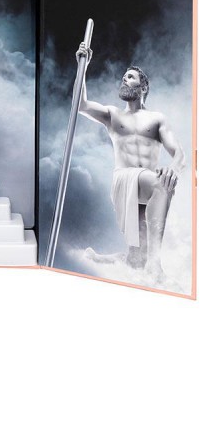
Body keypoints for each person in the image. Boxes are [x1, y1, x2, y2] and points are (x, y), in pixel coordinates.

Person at [76, 43, 185, 280]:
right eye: (124, 77)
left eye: (131, 77)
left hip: (147, 187)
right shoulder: (113, 114)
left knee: (136, 260)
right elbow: (81, 105)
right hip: (124, 178)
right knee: (161, 184)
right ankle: (155, 264)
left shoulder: (156, 118)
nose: (125, 79)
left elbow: (178, 153)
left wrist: (173, 168)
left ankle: (99, 258)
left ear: (143, 86)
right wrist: (82, 67)